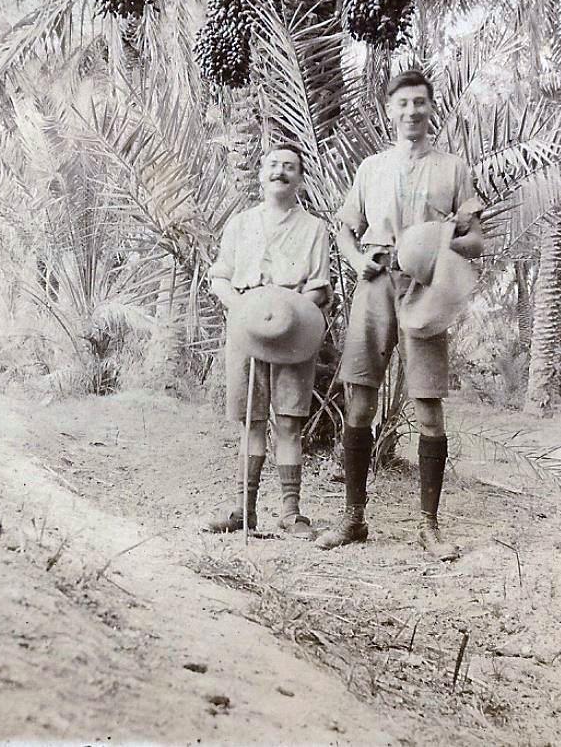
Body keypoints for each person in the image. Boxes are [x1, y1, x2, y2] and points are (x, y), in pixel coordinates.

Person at [316, 70, 484, 559]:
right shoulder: (371, 168)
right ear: (389, 110)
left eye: (420, 103)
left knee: (429, 404)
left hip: (426, 288)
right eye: (403, 103)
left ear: (432, 108)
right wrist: (354, 258)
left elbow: (475, 241)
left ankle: (428, 527)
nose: (412, 111)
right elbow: (346, 228)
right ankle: (353, 517)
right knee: (360, 398)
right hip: (375, 282)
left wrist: (435, 241)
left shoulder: (452, 168)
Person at [207, 145, 332, 539]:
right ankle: (245, 511)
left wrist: (288, 314)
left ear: (300, 178)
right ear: (261, 175)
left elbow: (318, 288)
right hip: (247, 329)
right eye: (274, 165)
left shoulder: (314, 229)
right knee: (251, 421)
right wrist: (246, 310)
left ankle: (290, 512)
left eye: (290, 167)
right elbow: (221, 277)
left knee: (290, 423)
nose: (281, 172)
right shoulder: (241, 224)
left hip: (294, 332)